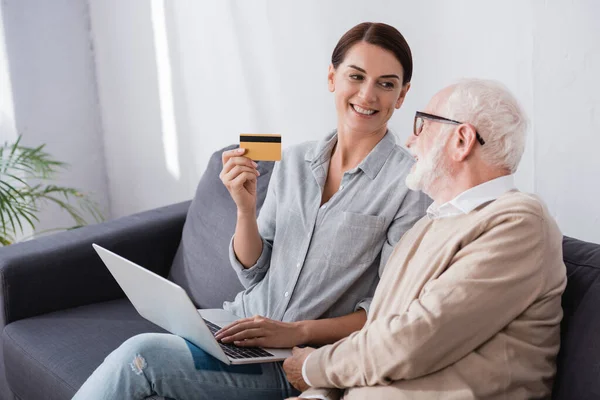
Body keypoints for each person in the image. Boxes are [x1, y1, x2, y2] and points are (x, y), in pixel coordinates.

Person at [73, 22, 431, 400]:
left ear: (402, 95)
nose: (367, 94)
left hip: (292, 360)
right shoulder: (293, 161)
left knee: (140, 355)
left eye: (386, 84)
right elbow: (254, 272)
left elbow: (386, 310)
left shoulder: (410, 186)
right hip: (233, 325)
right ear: (332, 78)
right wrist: (244, 210)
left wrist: (297, 332)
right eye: (355, 77)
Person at [283, 79, 568, 400]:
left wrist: (315, 367)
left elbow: (417, 338)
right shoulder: (427, 226)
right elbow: (380, 335)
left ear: (462, 140)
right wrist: (318, 393)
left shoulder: (519, 222)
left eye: (422, 126)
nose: (410, 140)